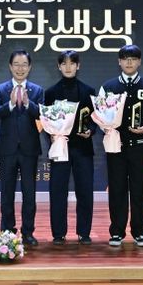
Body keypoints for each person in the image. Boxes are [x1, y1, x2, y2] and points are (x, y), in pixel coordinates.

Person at [101, 44, 143, 247]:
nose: (129, 62)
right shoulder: (109, 86)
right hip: (116, 145)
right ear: (119, 62)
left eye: (133, 58)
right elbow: (100, 111)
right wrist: (106, 126)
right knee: (117, 189)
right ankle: (116, 231)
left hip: (140, 145)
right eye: (125, 58)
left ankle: (139, 231)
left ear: (139, 62)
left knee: (139, 189)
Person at [0, 49, 44, 247]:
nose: (20, 68)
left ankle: (28, 232)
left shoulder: (37, 90)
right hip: (7, 149)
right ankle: (7, 231)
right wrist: (11, 105)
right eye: (16, 64)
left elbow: (42, 114)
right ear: (10, 66)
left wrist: (29, 104)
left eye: (24, 65)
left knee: (29, 193)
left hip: (29, 149)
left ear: (30, 67)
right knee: (7, 192)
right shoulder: (0, 89)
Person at [43, 50, 96, 245]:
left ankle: (84, 232)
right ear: (58, 66)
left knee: (85, 191)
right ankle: (58, 233)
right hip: (60, 148)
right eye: (64, 63)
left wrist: (90, 131)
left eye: (72, 63)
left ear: (78, 66)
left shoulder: (89, 91)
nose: (68, 67)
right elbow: (46, 121)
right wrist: (51, 135)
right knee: (57, 191)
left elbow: (96, 119)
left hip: (83, 148)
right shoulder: (50, 93)